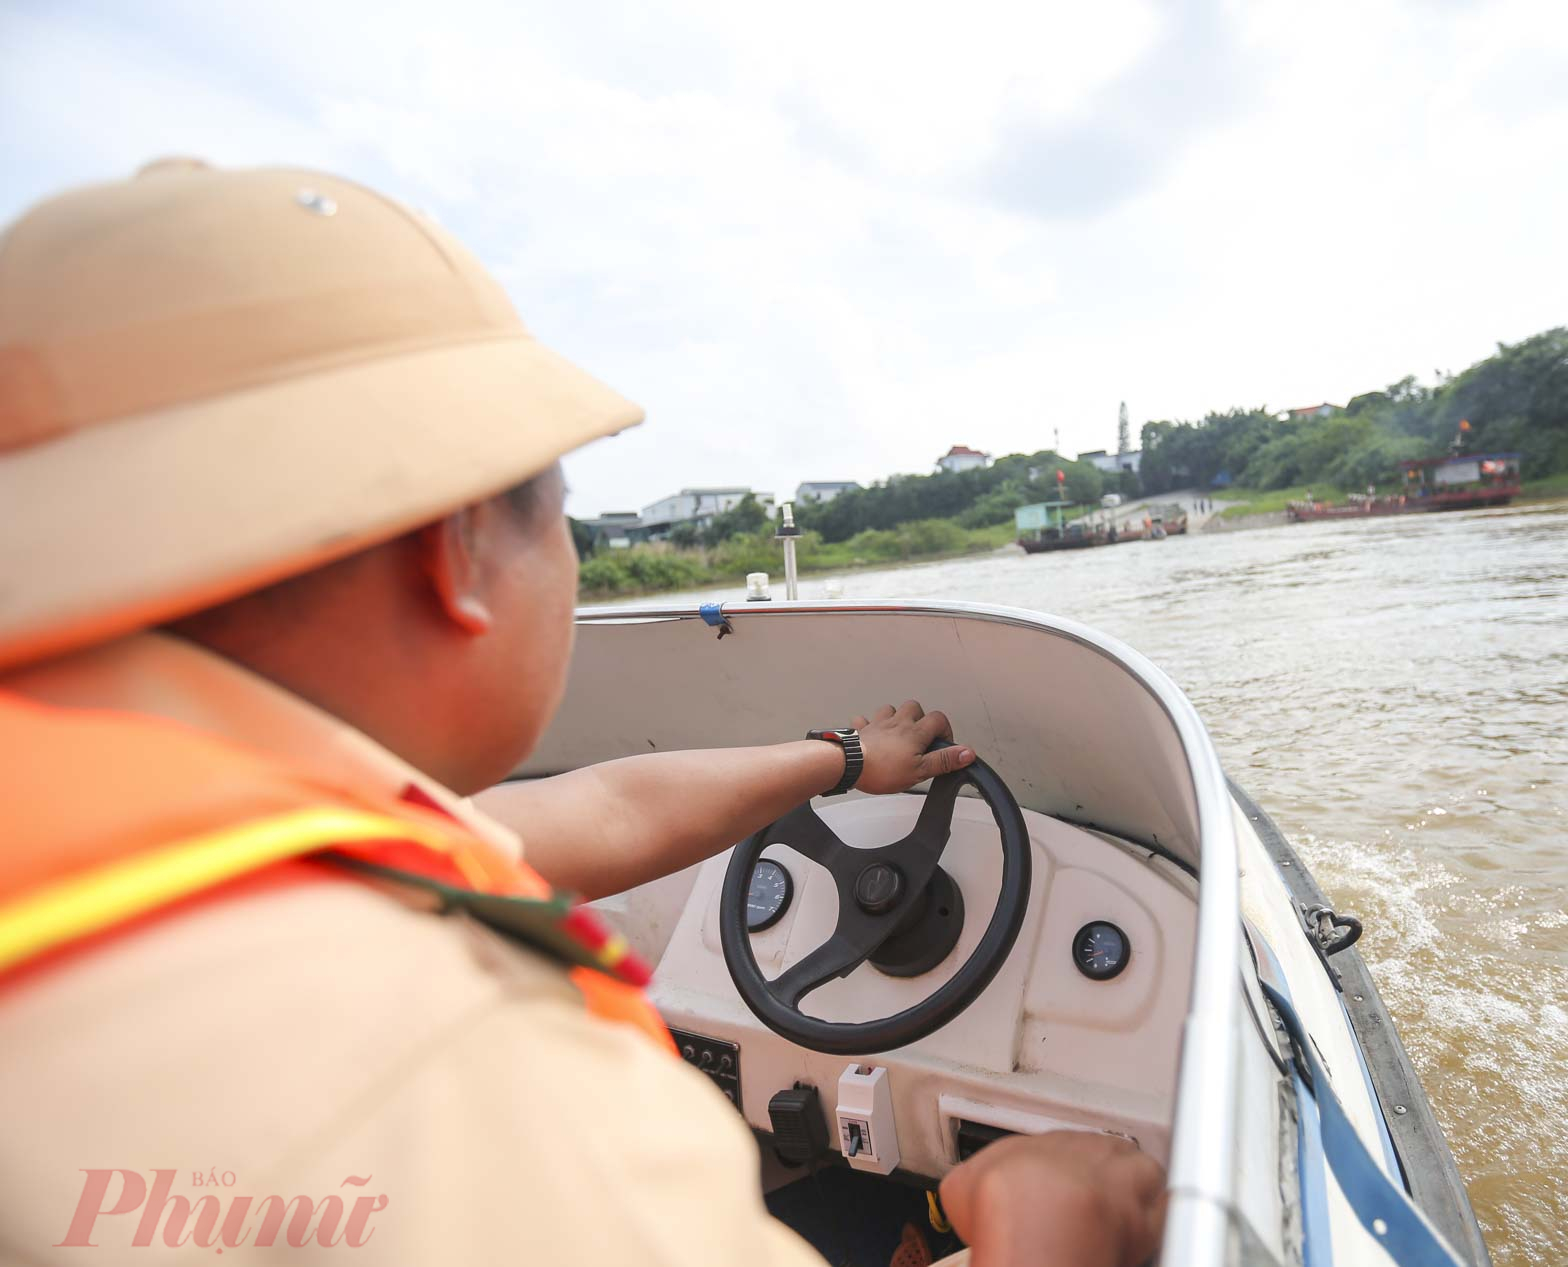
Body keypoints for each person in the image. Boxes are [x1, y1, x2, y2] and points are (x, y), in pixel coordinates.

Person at [0, 162, 1165, 1265]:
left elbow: (588, 812)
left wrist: (844, 758)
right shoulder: (457, 1077)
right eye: (559, 511)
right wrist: (1039, 1218)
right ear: (454, 553)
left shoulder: (146, 828)